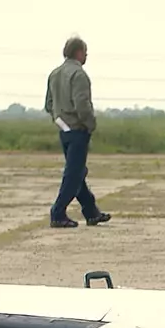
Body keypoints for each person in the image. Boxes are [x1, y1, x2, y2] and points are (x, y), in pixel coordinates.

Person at [43, 36, 111, 228]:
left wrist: (58, 118)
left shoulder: (54, 74)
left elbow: (48, 104)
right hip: (77, 128)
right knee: (73, 174)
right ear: (79, 52)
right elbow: (82, 104)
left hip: (63, 128)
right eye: (85, 52)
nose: (87, 56)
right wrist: (90, 124)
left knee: (77, 171)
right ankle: (58, 212)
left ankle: (91, 211)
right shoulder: (79, 75)